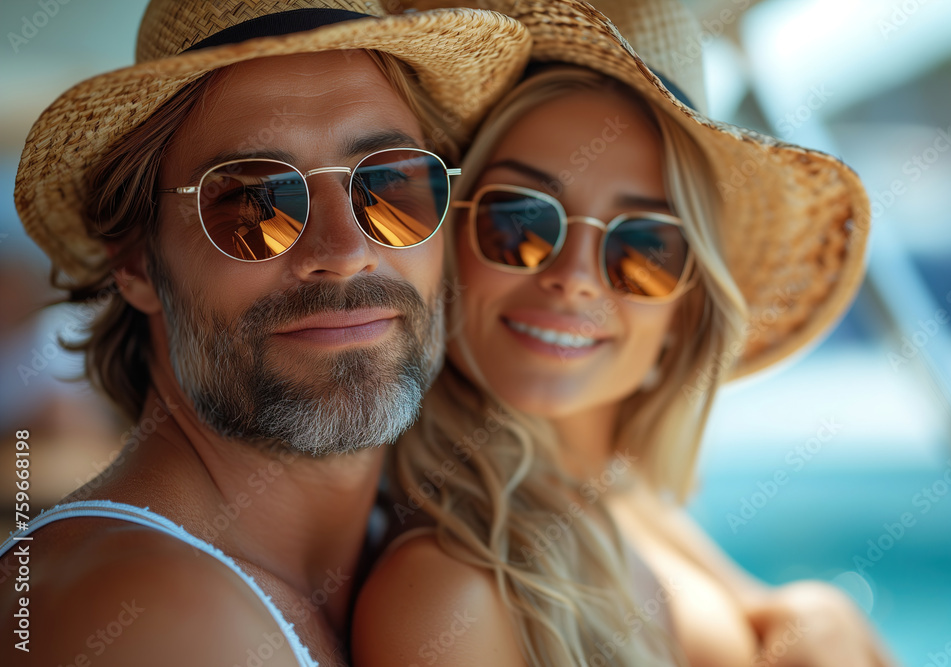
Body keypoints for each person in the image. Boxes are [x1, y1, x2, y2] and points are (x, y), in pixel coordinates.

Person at [354, 1, 897, 666]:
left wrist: (819, 611)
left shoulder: (613, 494)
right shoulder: (449, 591)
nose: (576, 278)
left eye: (643, 249)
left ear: (685, 312)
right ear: (447, 243)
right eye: (521, 221)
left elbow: (779, 614)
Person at [0, 0, 530, 664]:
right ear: (136, 260)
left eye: (390, 185)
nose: (343, 250)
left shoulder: (413, 549)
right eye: (256, 201)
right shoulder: (147, 618)